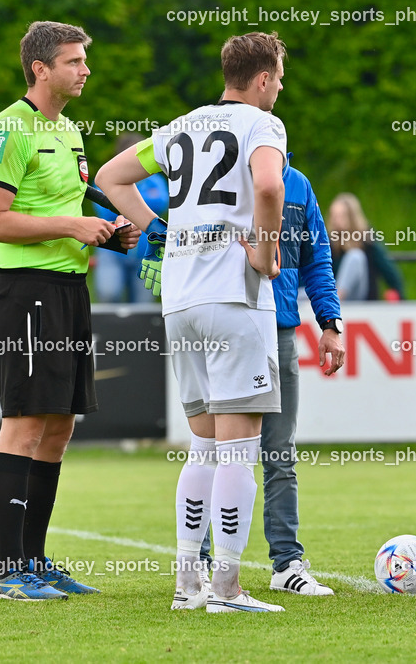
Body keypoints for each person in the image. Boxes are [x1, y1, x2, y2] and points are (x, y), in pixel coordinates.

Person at [97, 31, 289, 614]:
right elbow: (266, 183)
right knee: (239, 447)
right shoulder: (263, 125)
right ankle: (228, 587)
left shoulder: (181, 125)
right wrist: (264, 250)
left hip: (179, 297)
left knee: (203, 446)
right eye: (278, 77)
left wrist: (159, 231)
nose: (280, 87)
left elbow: (109, 178)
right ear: (260, 79)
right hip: (233, 296)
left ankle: (188, 583)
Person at [0, 21, 138, 600]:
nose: (85, 70)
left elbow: (70, 204)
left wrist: (109, 231)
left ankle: (35, 562)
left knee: (59, 427)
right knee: (23, 423)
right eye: (74, 61)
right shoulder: (9, 128)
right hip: (25, 290)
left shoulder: (68, 131)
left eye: (84, 60)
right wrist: (73, 224)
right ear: (41, 69)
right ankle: (8, 573)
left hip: (69, 288)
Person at [197, 156, 346, 596]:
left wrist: (330, 324)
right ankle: (201, 565)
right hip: (223, 326)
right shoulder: (215, 177)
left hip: (277, 330)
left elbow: (317, 260)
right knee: (214, 449)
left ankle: (286, 564)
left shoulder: (297, 184)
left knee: (280, 452)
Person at [93, 134, 169, 303]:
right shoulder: (105, 176)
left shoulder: (155, 180)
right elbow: (104, 211)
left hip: (145, 253)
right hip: (111, 248)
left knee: (143, 307)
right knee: (108, 296)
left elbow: (162, 203)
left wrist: (122, 199)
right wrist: (139, 203)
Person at [327, 193, 371, 301]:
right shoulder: (327, 241)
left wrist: (399, 295)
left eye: (340, 216)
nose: (336, 221)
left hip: (357, 297)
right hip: (329, 292)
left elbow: (388, 270)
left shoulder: (367, 240)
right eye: (334, 216)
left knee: (355, 256)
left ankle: (333, 301)